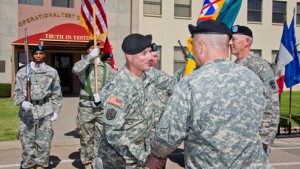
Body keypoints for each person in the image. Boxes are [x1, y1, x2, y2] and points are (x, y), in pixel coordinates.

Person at [146, 20, 272, 169]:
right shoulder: (253, 78)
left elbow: (169, 134)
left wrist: (156, 154)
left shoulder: (191, 83)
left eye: (193, 47)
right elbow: (266, 118)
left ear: (201, 47)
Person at [100, 33, 175, 169]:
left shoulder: (149, 75)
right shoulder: (118, 89)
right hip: (121, 161)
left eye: (149, 52)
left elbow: (174, 82)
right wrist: (145, 158)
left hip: (142, 153)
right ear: (129, 57)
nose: (150, 57)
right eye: (144, 53)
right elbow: (114, 133)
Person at [230, 25, 280, 154]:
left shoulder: (260, 66)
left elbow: (272, 103)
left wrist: (264, 140)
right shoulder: (232, 67)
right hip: (234, 139)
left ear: (247, 42)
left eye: (234, 39)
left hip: (254, 139)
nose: (230, 43)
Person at [14, 45, 63, 169]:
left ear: (44, 55)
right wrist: (22, 102)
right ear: (32, 55)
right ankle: (29, 165)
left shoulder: (51, 72)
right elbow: (17, 92)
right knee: (27, 142)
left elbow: (57, 93)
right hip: (27, 112)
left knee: (44, 142)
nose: (38, 56)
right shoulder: (23, 72)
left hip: (45, 111)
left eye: (41, 53)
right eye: (36, 53)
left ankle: (41, 165)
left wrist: (56, 110)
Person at [72, 40, 116, 169]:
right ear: (87, 50)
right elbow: (75, 69)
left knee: (100, 136)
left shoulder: (107, 68)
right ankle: (87, 162)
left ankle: (97, 161)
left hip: (102, 108)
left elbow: (114, 88)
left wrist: (104, 98)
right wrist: (90, 57)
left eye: (97, 47)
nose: (95, 49)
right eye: (92, 48)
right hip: (86, 107)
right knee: (86, 136)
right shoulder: (83, 66)